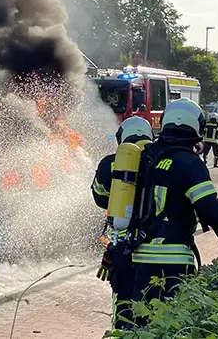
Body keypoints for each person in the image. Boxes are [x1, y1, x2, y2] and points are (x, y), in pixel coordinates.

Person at [107, 98, 218, 331]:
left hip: (137, 259)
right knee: (171, 327)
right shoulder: (188, 163)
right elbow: (211, 211)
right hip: (171, 263)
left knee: (140, 326)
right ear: (197, 127)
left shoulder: (145, 157)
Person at [91, 116, 155, 332]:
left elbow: (100, 198)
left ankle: (123, 332)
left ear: (122, 137)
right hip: (154, 246)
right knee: (153, 303)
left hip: (121, 246)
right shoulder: (159, 158)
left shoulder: (109, 163)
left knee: (123, 302)